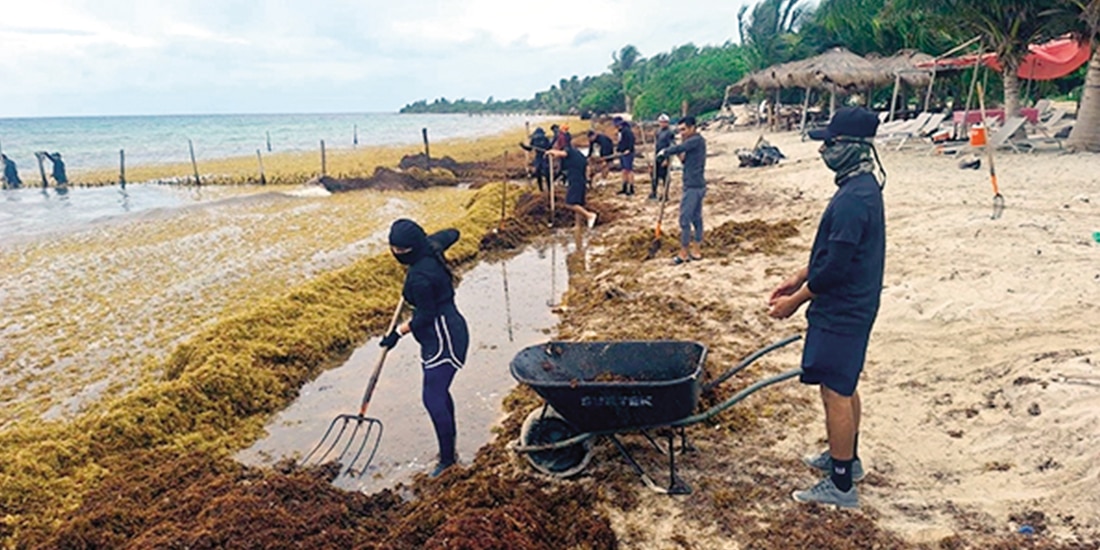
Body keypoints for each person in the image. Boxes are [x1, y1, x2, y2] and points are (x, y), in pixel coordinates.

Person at [767, 106, 886, 509]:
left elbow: (835, 269)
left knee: (836, 391)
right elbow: (836, 253)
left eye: (830, 144)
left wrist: (794, 303)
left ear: (852, 147)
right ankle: (846, 461)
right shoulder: (861, 187)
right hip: (851, 303)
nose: (823, 151)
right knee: (842, 384)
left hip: (844, 308)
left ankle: (840, 486)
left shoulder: (855, 199)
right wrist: (799, 276)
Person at [380, 219, 470, 478]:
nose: (394, 253)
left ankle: (447, 461)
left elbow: (425, 316)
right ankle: (449, 452)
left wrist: (396, 334)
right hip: (445, 331)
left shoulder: (419, 277)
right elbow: (453, 232)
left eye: (397, 250)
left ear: (407, 250)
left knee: (432, 397)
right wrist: (432, 242)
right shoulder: (430, 246)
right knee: (439, 392)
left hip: (444, 338)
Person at [657, 115, 706, 265]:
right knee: (696, 218)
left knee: (685, 219)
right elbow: (684, 158)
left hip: (693, 186)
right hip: (694, 184)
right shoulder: (691, 142)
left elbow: (682, 148)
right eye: (680, 130)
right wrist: (675, 151)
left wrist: (665, 151)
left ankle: (684, 253)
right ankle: (696, 251)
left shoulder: (697, 140)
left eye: (684, 129)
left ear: (693, 127)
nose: (682, 133)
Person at [545, 137, 598, 248]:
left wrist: (552, 152)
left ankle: (589, 215)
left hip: (576, 180)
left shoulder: (569, 150)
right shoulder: (578, 154)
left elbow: (563, 154)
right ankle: (578, 226)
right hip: (581, 179)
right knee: (578, 203)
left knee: (569, 203)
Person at [520, 127, 552, 192]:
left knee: (544, 173)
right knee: (540, 173)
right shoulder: (537, 139)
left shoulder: (542, 139)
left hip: (544, 157)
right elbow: (530, 148)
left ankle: (548, 189)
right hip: (540, 157)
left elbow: (530, 148)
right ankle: (543, 189)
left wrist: (523, 146)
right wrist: (523, 146)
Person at [652, 114, 675, 200]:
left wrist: (667, 159)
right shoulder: (658, 131)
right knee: (655, 174)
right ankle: (654, 193)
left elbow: (671, 146)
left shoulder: (670, 133)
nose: (662, 124)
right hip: (657, 155)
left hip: (664, 156)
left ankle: (665, 194)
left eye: (664, 122)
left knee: (665, 176)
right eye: (661, 122)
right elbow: (656, 144)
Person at [613, 116, 636, 195]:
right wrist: (618, 150)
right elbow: (620, 142)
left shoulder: (627, 131)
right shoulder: (621, 131)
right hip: (622, 153)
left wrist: (629, 149)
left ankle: (631, 188)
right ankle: (624, 187)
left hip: (628, 153)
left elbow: (632, 140)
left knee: (629, 170)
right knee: (623, 170)